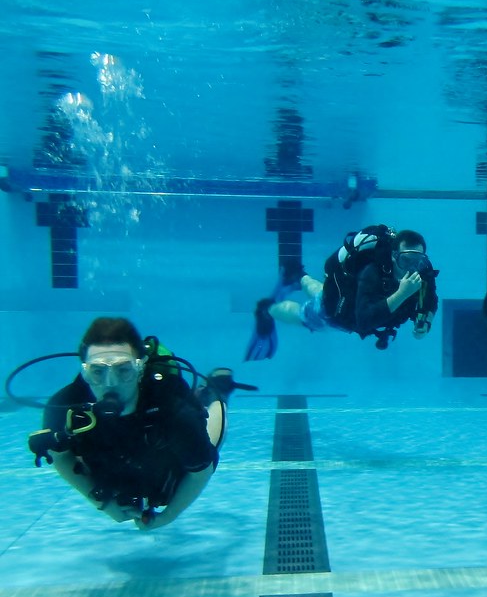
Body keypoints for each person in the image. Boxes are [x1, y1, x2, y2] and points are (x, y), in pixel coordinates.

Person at [26, 317, 247, 529]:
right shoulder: (65, 406)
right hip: (118, 463)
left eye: (123, 370)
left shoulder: (173, 409)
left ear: (140, 369)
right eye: (98, 371)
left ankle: (217, 391)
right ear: (85, 372)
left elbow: (201, 472)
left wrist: (167, 517)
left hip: (167, 458)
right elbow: (61, 457)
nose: (109, 383)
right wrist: (103, 504)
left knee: (213, 439)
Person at [245, 226, 438, 359]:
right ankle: (267, 310)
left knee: (320, 292)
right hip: (333, 312)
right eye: (406, 260)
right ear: (394, 256)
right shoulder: (371, 273)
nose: (411, 267)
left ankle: (299, 275)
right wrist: (402, 294)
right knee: (304, 315)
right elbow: (364, 321)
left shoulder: (421, 270)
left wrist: (425, 322)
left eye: (417, 260)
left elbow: (430, 299)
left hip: (337, 293)